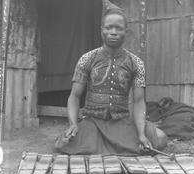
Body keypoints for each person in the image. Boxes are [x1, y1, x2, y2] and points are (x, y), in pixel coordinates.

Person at [56, 0, 168, 155]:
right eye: (109, 27)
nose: (113, 32)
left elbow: (138, 101)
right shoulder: (87, 59)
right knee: (66, 142)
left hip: (121, 124)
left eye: (119, 28)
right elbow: (74, 97)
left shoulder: (136, 63)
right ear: (101, 30)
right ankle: (116, 148)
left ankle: (107, 147)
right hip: (92, 123)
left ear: (126, 32)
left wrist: (141, 133)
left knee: (161, 139)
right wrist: (73, 124)